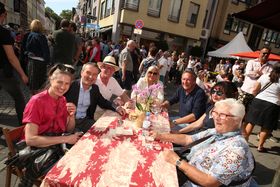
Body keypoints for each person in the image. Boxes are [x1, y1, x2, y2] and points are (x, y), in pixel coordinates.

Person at [153, 99, 255, 186]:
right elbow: (188, 139)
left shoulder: (237, 150)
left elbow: (209, 182)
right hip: (187, 172)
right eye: (215, 113)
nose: (216, 118)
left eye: (223, 115)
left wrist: (177, 161)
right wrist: (159, 136)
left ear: (237, 120)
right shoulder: (216, 131)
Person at [19, 64, 81, 186]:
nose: (63, 87)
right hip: (34, 151)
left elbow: (69, 129)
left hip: (53, 147)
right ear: (51, 79)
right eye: (59, 82)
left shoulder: (62, 100)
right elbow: (30, 140)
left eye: (67, 83)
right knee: (69, 174)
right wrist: (67, 138)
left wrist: (71, 116)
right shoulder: (37, 101)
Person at [65, 63, 126, 133]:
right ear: (81, 73)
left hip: (86, 121)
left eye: (94, 74)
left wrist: (117, 107)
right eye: (88, 73)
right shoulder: (70, 86)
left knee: (107, 132)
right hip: (68, 122)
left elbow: (103, 102)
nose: (91, 77)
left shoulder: (95, 88)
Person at [0, 2, 28, 125]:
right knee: (19, 97)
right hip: (3, 71)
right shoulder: (3, 32)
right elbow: (11, 57)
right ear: (2, 15)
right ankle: (24, 126)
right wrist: (23, 74)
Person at [244, 63, 280, 152]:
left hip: (258, 101)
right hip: (272, 104)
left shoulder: (265, 76)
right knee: (266, 126)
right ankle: (260, 146)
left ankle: (244, 142)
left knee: (251, 122)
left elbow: (255, 89)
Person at [25, 19, 50, 94]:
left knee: (33, 83)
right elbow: (46, 50)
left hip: (32, 61)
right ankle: (38, 99)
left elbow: (25, 49)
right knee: (40, 83)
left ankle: (33, 98)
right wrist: (47, 62)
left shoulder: (28, 35)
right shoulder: (41, 36)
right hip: (41, 62)